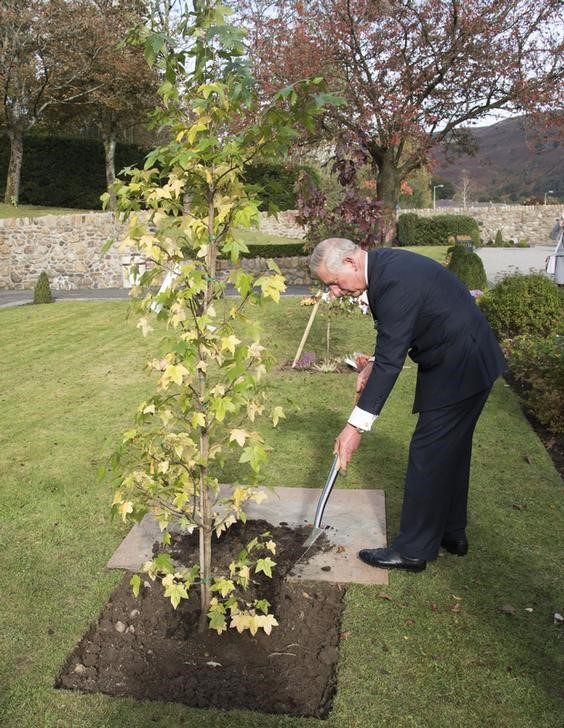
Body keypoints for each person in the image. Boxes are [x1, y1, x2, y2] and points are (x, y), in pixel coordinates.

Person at [309, 238, 506, 572]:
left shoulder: (392, 280)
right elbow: (396, 334)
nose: (335, 292)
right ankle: (451, 532)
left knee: (428, 454)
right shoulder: (384, 268)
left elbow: (392, 364)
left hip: (461, 365)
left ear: (350, 263)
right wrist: (373, 360)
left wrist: (354, 428)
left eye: (334, 283)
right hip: (465, 359)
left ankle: (413, 551)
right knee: (450, 451)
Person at [548, 213, 564, 285]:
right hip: (561, 255)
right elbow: (553, 237)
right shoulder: (560, 226)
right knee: (560, 282)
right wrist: (559, 227)